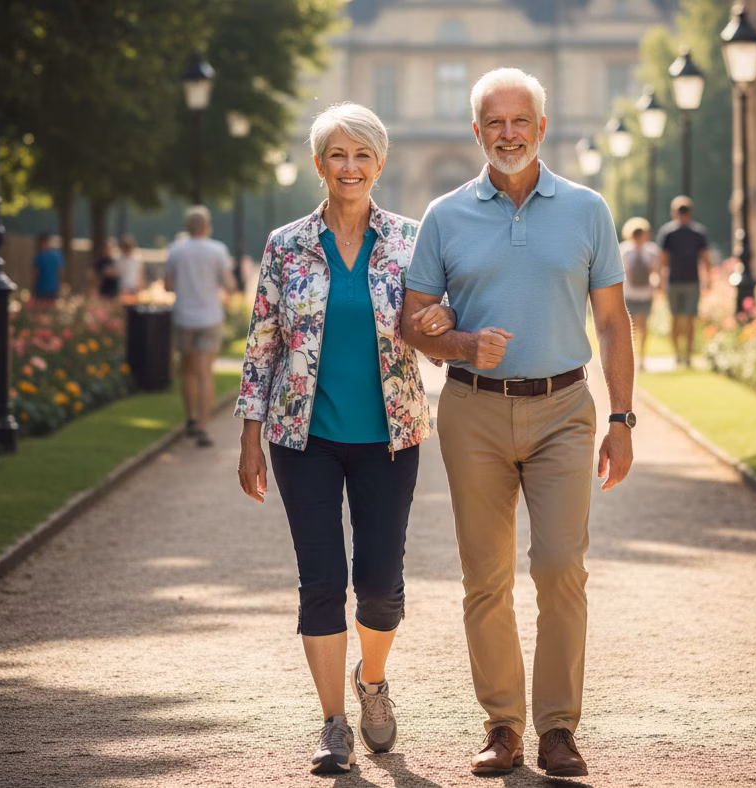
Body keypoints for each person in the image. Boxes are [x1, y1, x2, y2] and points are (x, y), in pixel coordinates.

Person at [400, 68, 634, 779]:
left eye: (520, 121)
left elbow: (614, 323)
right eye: (494, 123)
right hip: (471, 410)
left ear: (541, 124)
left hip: (565, 408)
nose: (508, 134)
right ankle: (502, 723)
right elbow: (414, 325)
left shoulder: (588, 208)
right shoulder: (444, 216)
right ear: (478, 131)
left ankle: (558, 728)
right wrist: (455, 340)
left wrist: (621, 418)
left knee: (562, 566)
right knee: (486, 576)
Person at [234, 103, 455, 775]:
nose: (350, 167)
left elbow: (437, 338)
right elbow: (263, 345)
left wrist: (445, 324)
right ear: (318, 164)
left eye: (362, 155)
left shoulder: (414, 242)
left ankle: (373, 683)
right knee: (321, 581)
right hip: (303, 437)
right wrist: (250, 437)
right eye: (337, 155)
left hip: (391, 435)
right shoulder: (285, 245)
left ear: (380, 165)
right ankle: (333, 722)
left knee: (381, 583)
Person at [165, 206, 237, 447]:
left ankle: (191, 419)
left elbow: (166, 285)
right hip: (210, 317)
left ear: (187, 226)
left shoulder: (176, 250)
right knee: (206, 372)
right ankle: (204, 428)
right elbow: (229, 285)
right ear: (206, 226)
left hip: (184, 316)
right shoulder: (217, 250)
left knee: (188, 370)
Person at [655, 195, 710, 367]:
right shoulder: (669, 233)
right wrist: (660, 279)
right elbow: (663, 259)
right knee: (678, 319)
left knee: (688, 319)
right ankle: (679, 354)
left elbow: (705, 257)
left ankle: (686, 355)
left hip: (689, 281)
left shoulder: (697, 233)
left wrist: (708, 278)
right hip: (677, 281)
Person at [619, 217, 661, 370]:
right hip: (630, 293)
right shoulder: (624, 251)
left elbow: (657, 271)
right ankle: (633, 356)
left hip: (645, 293)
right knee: (632, 326)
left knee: (643, 324)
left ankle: (642, 356)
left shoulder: (651, 251)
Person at [31, 232, 64, 301]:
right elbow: (60, 274)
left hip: (41, 290)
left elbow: (36, 274)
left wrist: (33, 290)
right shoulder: (57, 255)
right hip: (54, 290)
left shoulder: (39, 256)